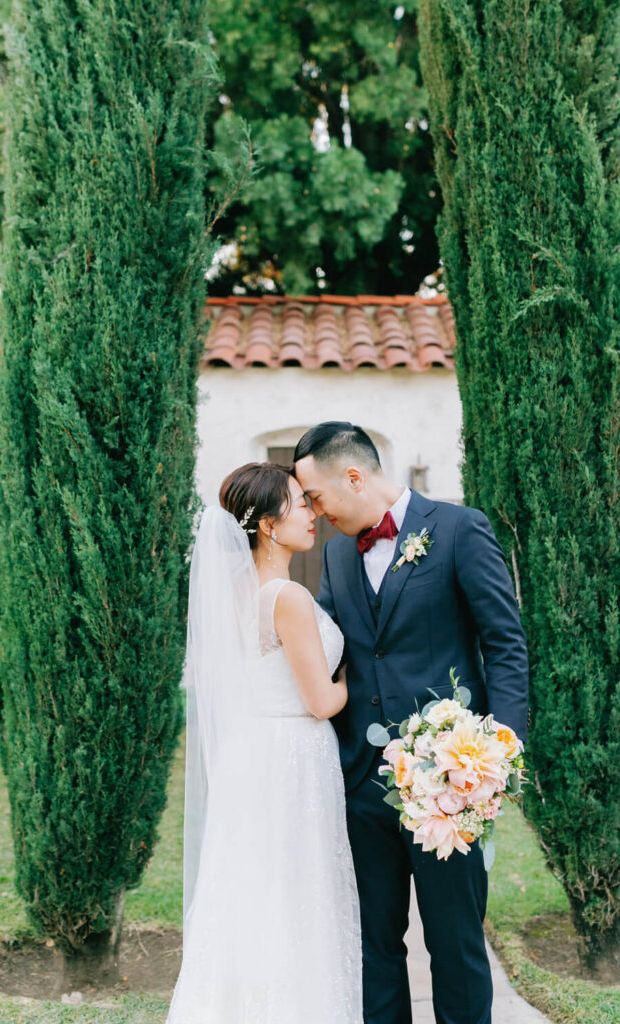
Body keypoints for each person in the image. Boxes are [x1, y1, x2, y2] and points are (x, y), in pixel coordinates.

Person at [294, 422, 529, 1024]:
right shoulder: (338, 553)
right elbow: (329, 647)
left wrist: (498, 755)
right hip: (361, 785)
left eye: (315, 496)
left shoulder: (459, 530)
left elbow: (504, 645)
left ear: (353, 476)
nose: (314, 514)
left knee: (455, 946)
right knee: (373, 946)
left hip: (447, 787)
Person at [165, 462, 363, 1024]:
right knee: (297, 888)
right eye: (302, 504)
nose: (312, 513)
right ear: (271, 525)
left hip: (250, 753)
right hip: (294, 755)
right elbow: (321, 702)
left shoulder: (227, 590)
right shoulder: (288, 597)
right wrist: (356, 678)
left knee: (252, 884)